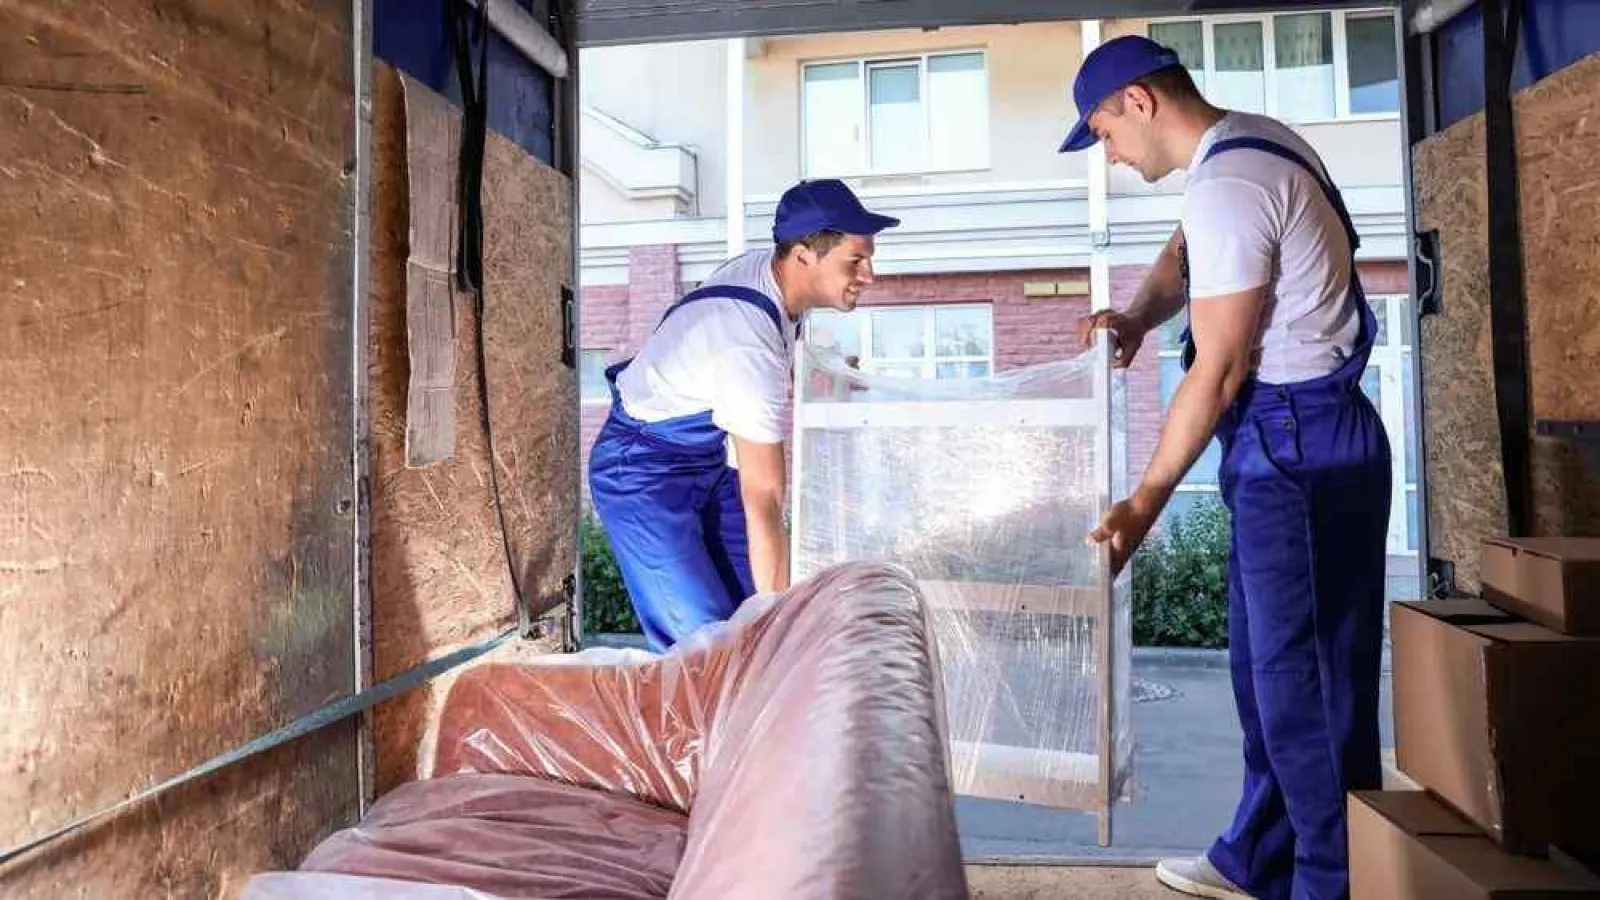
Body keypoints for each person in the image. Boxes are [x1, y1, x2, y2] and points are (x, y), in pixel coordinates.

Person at [1064, 36, 1392, 900]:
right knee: (1265, 673)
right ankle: (1259, 853)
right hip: (1289, 439)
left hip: (1300, 444)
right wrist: (1137, 315)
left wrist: (1142, 503)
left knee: (1308, 688)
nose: (1109, 151)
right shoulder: (1245, 145)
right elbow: (1185, 256)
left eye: (1102, 131)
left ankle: (1335, 882)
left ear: (1139, 102)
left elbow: (1218, 370)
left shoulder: (1230, 185)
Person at [588, 179, 899, 652]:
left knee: (752, 609)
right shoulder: (746, 343)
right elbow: (765, 495)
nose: (870, 275)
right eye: (855, 261)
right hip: (639, 474)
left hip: (702, 462)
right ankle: (705, 722)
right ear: (802, 256)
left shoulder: (773, 276)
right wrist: (783, 632)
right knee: (707, 649)